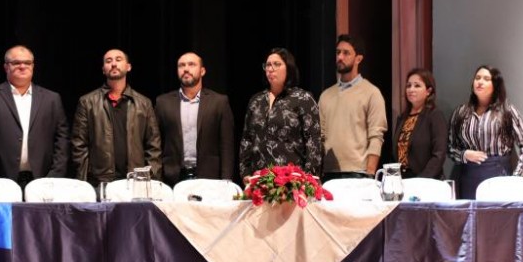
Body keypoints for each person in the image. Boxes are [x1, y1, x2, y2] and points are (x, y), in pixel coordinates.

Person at [0, 45, 69, 188]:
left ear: (33, 66)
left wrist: (55, 176)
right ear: (6, 67)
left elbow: (62, 139)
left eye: (27, 63)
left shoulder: (52, 99)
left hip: (44, 180)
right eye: (16, 63)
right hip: (0, 181)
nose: (22, 66)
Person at [71, 48, 161, 187]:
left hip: (135, 181)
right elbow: (79, 146)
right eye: (108, 61)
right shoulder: (87, 102)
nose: (113, 64)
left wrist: (151, 181)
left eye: (118, 60)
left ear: (128, 67)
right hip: (100, 181)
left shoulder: (144, 103)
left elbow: (153, 146)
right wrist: (84, 182)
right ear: (103, 69)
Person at [448, 65, 523, 199]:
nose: (480, 82)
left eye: (486, 79)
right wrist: (464, 154)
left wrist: (517, 177)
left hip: (499, 175)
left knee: (497, 217)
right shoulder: (461, 112)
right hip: (468, 176)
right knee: (471, 217)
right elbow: (450, 146)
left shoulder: (507, 111)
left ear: (495, 84)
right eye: (477, 78)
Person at [239, 48, 322, 180]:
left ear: (288, 68)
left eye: (277, 64)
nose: (271, 69)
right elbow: (247, 140)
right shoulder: (256, 100)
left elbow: (313, 143)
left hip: (293, 181)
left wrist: (308, 180)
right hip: (260, 180)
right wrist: (245, 173)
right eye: (268, 65)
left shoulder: (303, 99)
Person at [155, 52, 235, 187]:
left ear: (202, 71)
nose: (186, 69)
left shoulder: (219, 102)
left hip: (210, 177)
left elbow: (227, 145)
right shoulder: (163, 102)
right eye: (181, 65)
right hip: (172, 177)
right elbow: (156, 144)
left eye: (191, 64)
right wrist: (158, 179)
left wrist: (226, 181)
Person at [318, 34, 387, 181]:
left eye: (346, 53)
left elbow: (376, 136)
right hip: (329, 173)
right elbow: (320, 136)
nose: (340, 57)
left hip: (359, 173)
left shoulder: (371, 93)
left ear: (358, 59)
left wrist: (370, 173)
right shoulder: (326, 95)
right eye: (338, 52)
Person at [392, 68, 448, 179]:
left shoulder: (434, 115)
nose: (411, 89)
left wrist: (422, 180)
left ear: (428, 91)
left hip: (427, 181)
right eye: (408, 86)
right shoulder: (402, 118)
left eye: (417, 86)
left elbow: (439, 154)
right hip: (403, 179)